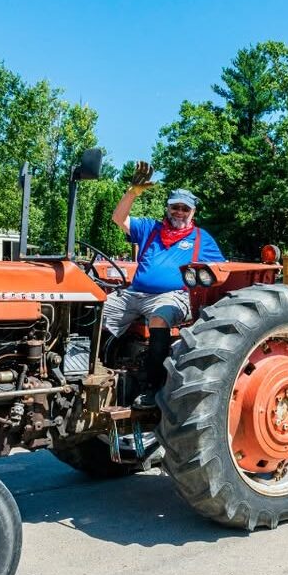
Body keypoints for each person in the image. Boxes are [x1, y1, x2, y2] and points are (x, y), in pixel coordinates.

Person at [106, 161, 225, 407]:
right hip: (134, 294)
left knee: (159, 317)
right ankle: (99, 370)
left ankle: (153, 386)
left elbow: (222, 270)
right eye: (175, 207)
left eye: (185, 208)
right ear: (168, 208)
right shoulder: (151, 228)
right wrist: (133, 192)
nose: (179, 212)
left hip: (174, 296)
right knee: (99, 310)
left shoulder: (201, 239)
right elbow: (118, 218)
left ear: (192, 212)